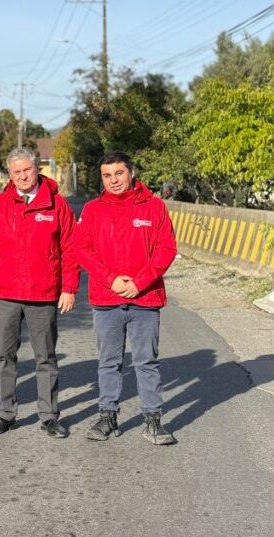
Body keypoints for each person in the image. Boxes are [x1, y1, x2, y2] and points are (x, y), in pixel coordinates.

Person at [0, 147, 79, 439]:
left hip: (44, 295)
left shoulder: (57, 205)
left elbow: (71, 248)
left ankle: (49, 416)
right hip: (6, 294)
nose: (22, 176)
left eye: (27, 170)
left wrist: (69, 287)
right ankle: (6, 413)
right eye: (16, 172)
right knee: (4, 356)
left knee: (46, 357)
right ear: (10, 174)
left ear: (38, 168)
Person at [74, 151, 178, 445]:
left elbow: (166, 249)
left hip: (145, 299)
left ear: (130, 173)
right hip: (107, 299)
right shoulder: (93, 210)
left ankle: (153, 421)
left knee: (146, 361)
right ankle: (108, 416)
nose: (114, 180)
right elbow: (82, 249)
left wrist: (141, 282)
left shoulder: (154, 207)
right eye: (107, 176)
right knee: (109, 361)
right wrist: (110, 279)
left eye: (119, 173)